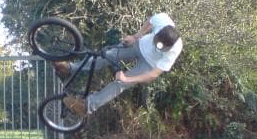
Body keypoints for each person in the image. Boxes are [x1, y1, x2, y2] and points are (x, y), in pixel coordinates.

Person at [53, 12, 182, 116]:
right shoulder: (163, 21)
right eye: (156, 41)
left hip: (149, 64)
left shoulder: (174, 50)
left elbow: (154, 74)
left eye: (161, 47)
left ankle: (86, 106)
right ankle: (70, 68)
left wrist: (127, 79)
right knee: (107, 55)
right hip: (139, 45)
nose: (156, 46)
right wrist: (135, 37)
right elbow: (150, 21)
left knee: (120, 83)